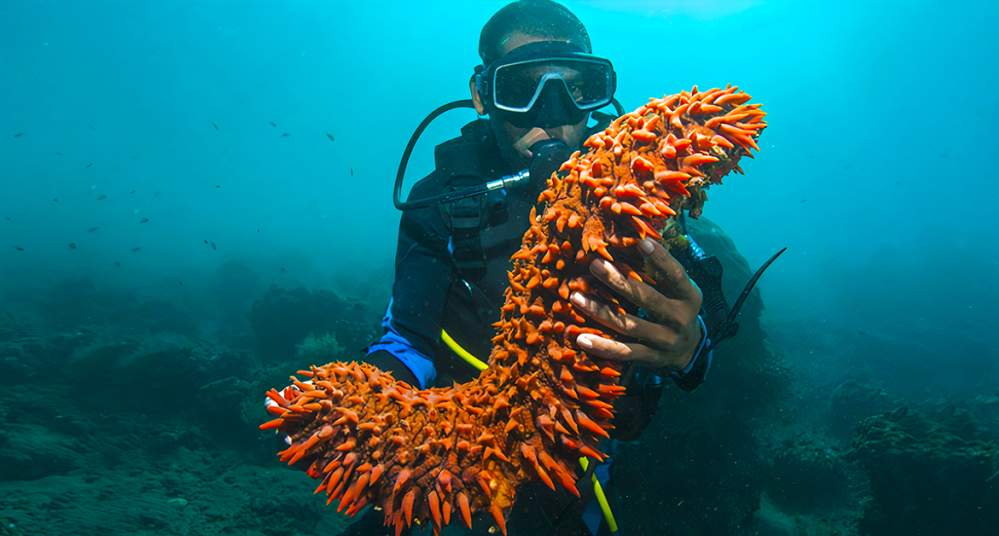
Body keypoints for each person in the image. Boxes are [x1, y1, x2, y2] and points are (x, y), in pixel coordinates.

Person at [308, 1, 724, 534]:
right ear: (483, 94)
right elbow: (406, 337)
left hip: (574, 475)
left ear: (600, 91)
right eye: (521, 88)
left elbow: (697, 333)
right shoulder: (441, 201)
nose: (552, 112)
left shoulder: (641, 197)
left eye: (576, 88)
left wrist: (690, 352)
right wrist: (373, 404)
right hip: (461, 461)